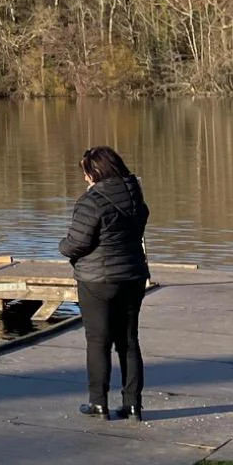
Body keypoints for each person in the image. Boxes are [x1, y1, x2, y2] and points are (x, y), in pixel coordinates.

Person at [58, 145, 150, 420]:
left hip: (97, 280)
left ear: (95, 172)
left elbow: (77, 243)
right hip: (132, 276)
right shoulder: (135, 195)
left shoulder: (92, 201)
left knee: (98, 341)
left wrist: (62, 246)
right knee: (129, 341)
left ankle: (98, 403)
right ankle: (133, 404)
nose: (85, 179)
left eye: (86, 173)